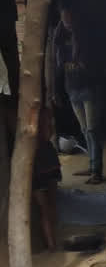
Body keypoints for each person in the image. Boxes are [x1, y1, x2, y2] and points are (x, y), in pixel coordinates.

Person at [54, 6, 104, 184]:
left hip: (89, 89)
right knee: (85, 130)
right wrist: (57, 90)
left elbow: (93, 64)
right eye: (64, 17)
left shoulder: (85, 37)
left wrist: (83, 65)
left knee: (92, 130)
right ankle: (92, 167)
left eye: (69, 17)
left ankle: (97, 171)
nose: (67, 21)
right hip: (72, 89)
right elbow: (59, 68)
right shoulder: (60, 38)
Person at [32, 107, 61, 252]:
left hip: (40, 166)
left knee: (45, 208)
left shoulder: (33, 117)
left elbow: (46, 135)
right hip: (47, 163)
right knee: (49, 206)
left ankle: (51, 244)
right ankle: (52, 242)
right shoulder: (44, 113)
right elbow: (48, 135)